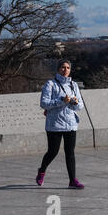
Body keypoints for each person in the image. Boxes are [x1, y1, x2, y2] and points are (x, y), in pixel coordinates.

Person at [36, 59, 85, 189]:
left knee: (70, 153)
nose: (65, 70)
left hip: (70, 123)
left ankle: (72, 180)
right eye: (63, 67)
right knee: (53, 151)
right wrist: (61, 100)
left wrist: (74, 103)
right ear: (58, 69)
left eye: (68, 68)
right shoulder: (50, 84)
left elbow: (80, 105)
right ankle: (41, 170)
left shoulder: (73, 85)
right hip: (54, 124)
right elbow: (44, 103)